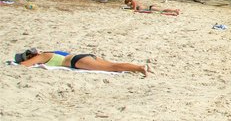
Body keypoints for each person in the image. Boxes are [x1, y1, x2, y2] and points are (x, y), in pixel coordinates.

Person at [14, 48, 148, 76]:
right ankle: (138, 67)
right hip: (82, 56)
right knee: (111, 65)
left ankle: (139, 68)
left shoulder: (42, 56)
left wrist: (22, 63)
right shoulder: (50, 52)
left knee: (111, 67)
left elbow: (24, 65)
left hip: (76, 61)